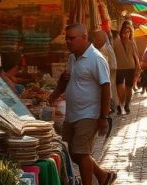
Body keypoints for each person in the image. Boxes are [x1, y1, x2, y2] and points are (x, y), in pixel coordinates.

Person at [48, 23, 115, 185]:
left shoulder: (96, 58)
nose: (68, 42)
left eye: (72, 38)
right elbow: (67, 79)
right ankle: (102, 175)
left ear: (84, 38)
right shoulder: (72, 58)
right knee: (74, 152)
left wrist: (103, 116)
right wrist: (57, 91)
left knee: (81, 152)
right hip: (73, 113)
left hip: (89, 113)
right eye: (67, 39)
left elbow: (106, 87)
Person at [112, 22, 140, 115]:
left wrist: (138, 67)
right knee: (120, 88)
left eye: (128, 32)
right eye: (124, 32)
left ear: (130, 33)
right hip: (119, 68)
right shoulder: (116, 42)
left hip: (130, 68)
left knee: (129, 88)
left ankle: (127, 104)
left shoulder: (132, 43)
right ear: (121, 32)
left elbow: (136, 56)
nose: (126, 34)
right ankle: (121, 104)